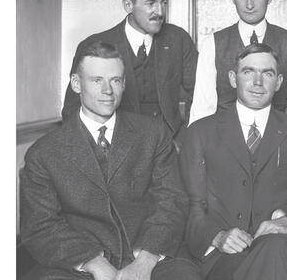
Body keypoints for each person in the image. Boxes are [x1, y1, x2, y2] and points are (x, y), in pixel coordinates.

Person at [21, 41, 201, 280]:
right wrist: (92, 262)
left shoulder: (153, 134)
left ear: (124, 83)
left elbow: (172, 203)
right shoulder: (43, 153)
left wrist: (145, 261)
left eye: (115, 80)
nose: (108, 90)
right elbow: (40, 226)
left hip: (150, 257)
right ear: (76, 84)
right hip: (78, 266)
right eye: (97, 80)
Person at [178, 43, 287, 280]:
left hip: (285, 250)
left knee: (275, 248)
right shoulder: (200, 132)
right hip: (224, 255)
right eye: (248, 72)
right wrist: (217, 236)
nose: (258, 82)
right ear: (232, 78)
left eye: (267, 73)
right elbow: (191, 205)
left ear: (279, 82)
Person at [62, 0, 198, 138]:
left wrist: (185, 140)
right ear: (128, 5)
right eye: (150, 4)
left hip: (168, 144)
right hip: (118, 145)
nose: (160, 12)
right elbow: (72, 109)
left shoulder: (178, 39)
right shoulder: (95, 45)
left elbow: (200, 95)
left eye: (164, 2)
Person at [190, 0, 287, 126]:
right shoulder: (212, 44)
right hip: (225, 142)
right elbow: (202, 109)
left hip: (275, 141)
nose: (249, 4)